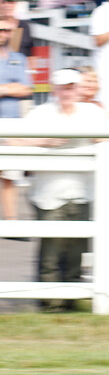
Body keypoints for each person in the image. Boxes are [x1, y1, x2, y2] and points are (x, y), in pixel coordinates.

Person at [24, 69, 109, 311]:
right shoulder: (41, 114)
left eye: (71, 87)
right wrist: (45, 141)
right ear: (55, 89)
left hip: (82, 191)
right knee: (50, 251)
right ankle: (50, 303)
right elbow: (13, 140)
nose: (67, 92)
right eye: (63, 87)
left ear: (79, 88)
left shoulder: (92, 113)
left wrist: (97, 140)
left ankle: (71, 299)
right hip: (48, 194)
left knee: (76, 251)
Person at [0, 16, 32, 223]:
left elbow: (27, 88)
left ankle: (12, 223)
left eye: (6, 30)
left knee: (10, 177)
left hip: (11, 124)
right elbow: (18, 88)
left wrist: (3, 89)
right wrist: (11, 89)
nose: (3, 34)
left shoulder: (19, 58)